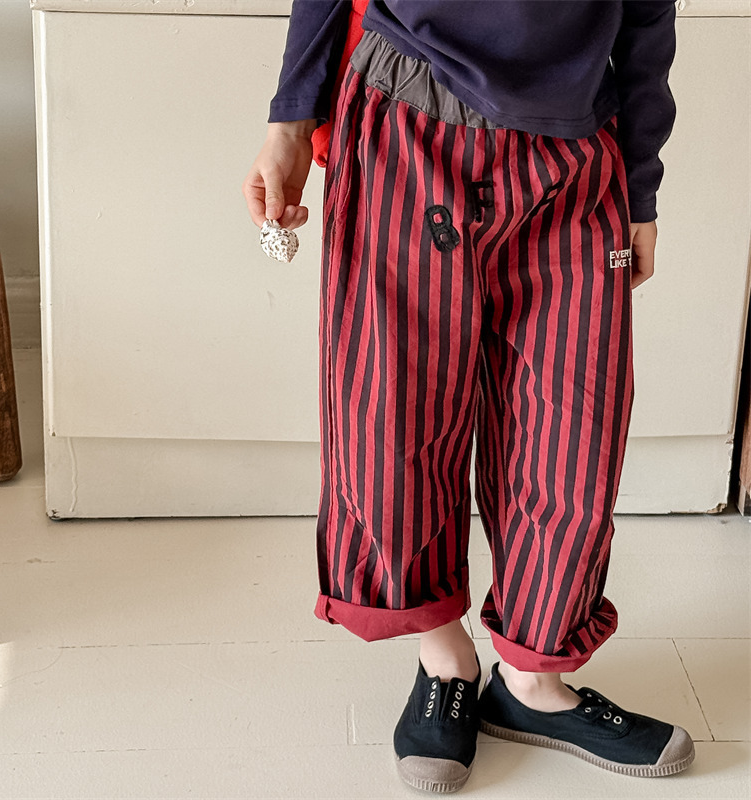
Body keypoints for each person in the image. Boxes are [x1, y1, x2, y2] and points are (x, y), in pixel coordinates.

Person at [242, 1, 695, 793]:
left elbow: (648, 18)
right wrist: (290, 122)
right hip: (403, 126)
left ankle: (531, 684)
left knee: (573, 431)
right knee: (394, 419)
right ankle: (444, 657)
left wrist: (642, 187)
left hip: (575, 151)